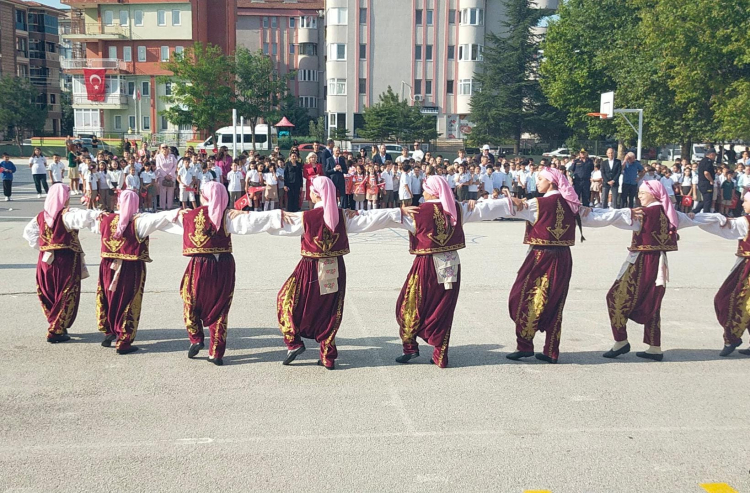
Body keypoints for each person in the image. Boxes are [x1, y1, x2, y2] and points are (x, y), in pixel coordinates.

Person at [272, 176, 402, 369]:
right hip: (335, 267)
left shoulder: (306, 217)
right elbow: (371, 219)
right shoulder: (345, 215)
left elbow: (276, 224)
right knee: (330, 309)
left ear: (316, 194)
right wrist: (398, 213)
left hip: (310, 268)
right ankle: (327, 356)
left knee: (285, 299)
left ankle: (293, 341)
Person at [581, 180, 718, 361]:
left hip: (641, 261)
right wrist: (720, 219)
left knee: (614, 297)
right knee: (652, 301)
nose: (639, 196)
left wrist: (587, 213)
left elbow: (612, 218)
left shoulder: (642, 214)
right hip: (659, 262)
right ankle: (655, 347)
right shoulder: (671, 213)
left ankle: (621, 341)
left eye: (642, 193)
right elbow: (695, 219)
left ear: (653, 194)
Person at [393, 176, 514, 367]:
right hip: (451, 263)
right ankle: (440, 354)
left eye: (425, 189)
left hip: (426, 263)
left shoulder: (416, 211)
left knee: (410, 303)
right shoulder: (457, 208)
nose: (423, 192)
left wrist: (396, 212)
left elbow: (381, 218)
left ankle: (410, 346)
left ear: (432, 192)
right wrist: (509, 202)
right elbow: (487, 209)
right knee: (443, 307)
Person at [169, 182, 282, 366]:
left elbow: (163, 222)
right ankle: (216, 353)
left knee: (190, 300)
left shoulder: (189, 215)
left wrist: (173, 213)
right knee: (220, 308)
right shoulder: (229, 215)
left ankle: (195, 337)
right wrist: (279, 215)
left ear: (204, 196)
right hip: (225, 265)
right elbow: (255, 222)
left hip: (200, 264)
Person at [505, 167, 582, 364]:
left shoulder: (536, 204)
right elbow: (597, 216)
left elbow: (508, 209)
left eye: (540, 179)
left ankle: (524, 345)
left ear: (551, 182)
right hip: (563, 257)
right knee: (555, 302)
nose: (537, 182)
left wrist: (507, 200)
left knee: (523, 296)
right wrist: (627, 213)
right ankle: (551, 350)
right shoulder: (572, 203)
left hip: (540, 256)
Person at [94, 190, 176, 354]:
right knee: (128, 301)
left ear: (118, 203)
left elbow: (87, 220)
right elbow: (160, 218)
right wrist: (178, 212)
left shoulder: (104, 219)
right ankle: (123, 341)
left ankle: (109, 331)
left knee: (108, 297)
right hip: (130, 267)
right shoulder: (140, 222)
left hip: (107, 266)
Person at [22, 184, 100, 343]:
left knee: (48, 292)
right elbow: (84, 218)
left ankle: (56, 323)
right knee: (66, 293)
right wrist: (100, 214)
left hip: (45, 260)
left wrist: (45, 246)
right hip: (65, 260)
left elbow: (29, 234)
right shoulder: (67, 215)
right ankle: (55, 330)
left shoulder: (40, 216)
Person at [698, 192, 750, 356]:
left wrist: (697, 218)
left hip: (747, 268)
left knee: (727, 300)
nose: (742, 204)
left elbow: (724, 227)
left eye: (745, 201)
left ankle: (732, 338)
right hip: (744, 265)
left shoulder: (745, 222)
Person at [694, 148, 717, 213]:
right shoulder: (708, 161)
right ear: (711, 154)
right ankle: (706, 214)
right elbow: (706, 173)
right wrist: (711, 180)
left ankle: (694, 211)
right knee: (708, 201)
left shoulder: (703, 161)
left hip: (702, 183)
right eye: (714, 155)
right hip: (706, 183)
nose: (715, 157)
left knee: (706, 200)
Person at [155, 144, 177, 210]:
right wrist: (165, 175)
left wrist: (170, 174)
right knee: (162, 192)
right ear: (160, 149)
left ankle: (169, 207)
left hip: (171, 176)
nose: (164, 149)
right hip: (162, 176)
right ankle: (163, 207)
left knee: (170, 192)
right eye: (163, 147)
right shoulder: (158, 156)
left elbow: (175, 166)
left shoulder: (172, 156)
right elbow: (158, 167)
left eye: (166, 147)